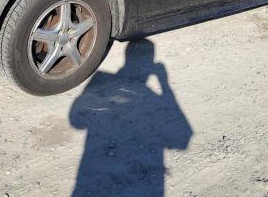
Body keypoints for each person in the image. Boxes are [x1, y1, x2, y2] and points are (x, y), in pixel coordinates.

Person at [70, 39, 192, 196]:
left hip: (91, 176)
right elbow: (182, 139)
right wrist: (164, 83)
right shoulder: (149, 97)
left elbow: (76, 121)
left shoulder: (101, 79)